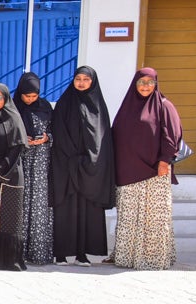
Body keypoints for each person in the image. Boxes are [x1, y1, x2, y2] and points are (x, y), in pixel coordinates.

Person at [110, 67, 182, 270]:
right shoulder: (127, 106)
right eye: (142, 82)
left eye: (150, 82)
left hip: (153, 172)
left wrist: (164, 162)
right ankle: (126, 257)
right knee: (128, 217)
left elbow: (172, 137)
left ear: (156, 84)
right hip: (127, 172)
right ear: (135, 84)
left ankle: (152, 258)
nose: (146, 86)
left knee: (153, 218)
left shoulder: (164, 106)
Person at [50, 66, 114, 267]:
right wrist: (72, 157)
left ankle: (82, 254)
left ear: (92, 82)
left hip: (90, 169)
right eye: (78, 78)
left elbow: (102, 138)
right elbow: (58, 131)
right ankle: (61, 253)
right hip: (66, 165)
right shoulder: (64, 103)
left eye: (86, 79)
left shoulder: (99, 107)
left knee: (86, 211)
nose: (81, 83)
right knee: (65, 209)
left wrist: (90, 160)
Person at [0, 83, 28, 271]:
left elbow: (15, 150)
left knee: (8, 219)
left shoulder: (13, 119)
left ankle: (9, 260)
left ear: (6, 99)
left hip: (9, 177)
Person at [12, 72, 54, 266]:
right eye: (27, 96)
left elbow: (55, 129)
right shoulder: (12, 107)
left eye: (34, 96)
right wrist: (22, 140)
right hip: (19, 158)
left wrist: (47, 138)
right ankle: (16, 251)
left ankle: (38, 251)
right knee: (19, 202)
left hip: (40, 160)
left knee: (38, 203)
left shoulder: (45, 106)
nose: (30, 99)